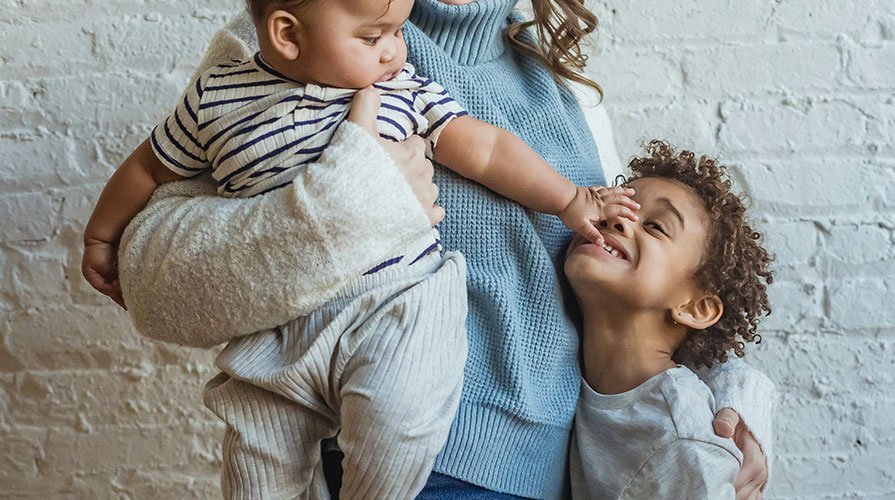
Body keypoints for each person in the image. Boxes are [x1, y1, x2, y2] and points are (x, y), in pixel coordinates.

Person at [101, 0, 775, 497]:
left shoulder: (565, 89)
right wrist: (347, 203)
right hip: (397, 448)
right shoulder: (320, 41)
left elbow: (645, 291)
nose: (386, 44)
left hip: (547, 469)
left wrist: (732, 406)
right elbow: (155, 281)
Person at [565, 141, 774, 499]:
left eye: (656, 226)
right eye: (615, 203)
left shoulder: (683, 436)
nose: (615, 218)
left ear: (695, 308)